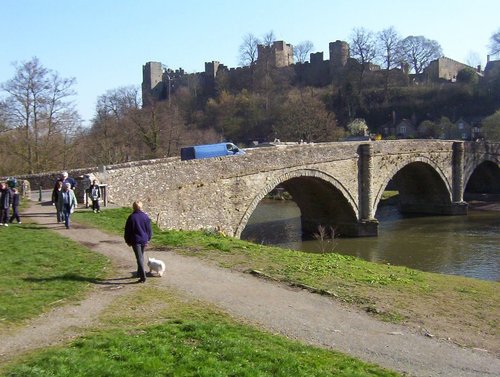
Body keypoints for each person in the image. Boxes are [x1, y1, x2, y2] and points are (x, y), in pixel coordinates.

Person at [124, 201, 152, 283]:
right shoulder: (145, 217)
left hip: (135, 240)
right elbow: (149, 230)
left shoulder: (131, 217)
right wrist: (148, 239)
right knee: (141, 256)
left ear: (133, 207)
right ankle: (139, 272)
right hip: (143, 239)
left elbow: (127, 231)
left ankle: (143, 276)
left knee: (139, 257)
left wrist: (127, 240)